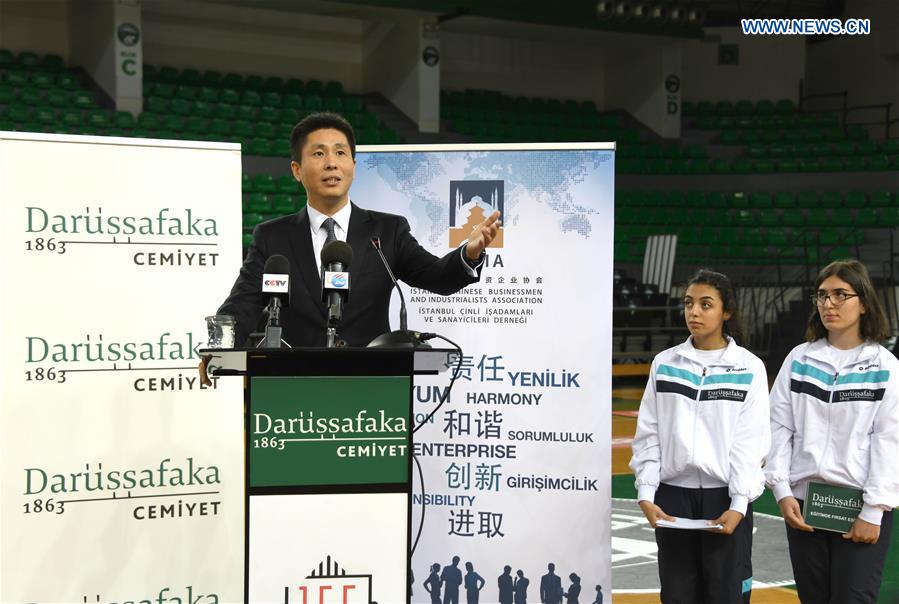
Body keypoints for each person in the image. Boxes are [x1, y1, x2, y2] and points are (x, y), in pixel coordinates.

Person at [214, 111, 500, 349]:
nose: (331, 162)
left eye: (340, 152)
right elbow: (243, 305)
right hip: (295, 389)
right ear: (296, 170)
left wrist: (469, 254)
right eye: (318, 153)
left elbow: (438, 277)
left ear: (353, 164)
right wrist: (218, 347)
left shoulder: (387, 231)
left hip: (372, 388)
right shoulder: (273, 237)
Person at [630, 269, 770, 603]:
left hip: (725, 500)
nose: (694, 312)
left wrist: (739, 503)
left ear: (727, 312)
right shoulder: (665, 364)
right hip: (672, 498)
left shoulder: (749, 367)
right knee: (678, 595)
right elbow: (650, 433)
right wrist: (646, 492)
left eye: (706, 304)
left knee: (725, 594)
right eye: (689, 303)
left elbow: (750, 443)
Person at [765, 259, 898, 604]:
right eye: (822, 296)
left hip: (858, 508)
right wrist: (781, 490)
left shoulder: (885, 367)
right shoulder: (799, 359)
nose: (829, 304)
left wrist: (873, 511)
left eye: (841, 295)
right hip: (805, 506)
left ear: (864, 302)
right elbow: (778, 426)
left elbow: (890, 440)